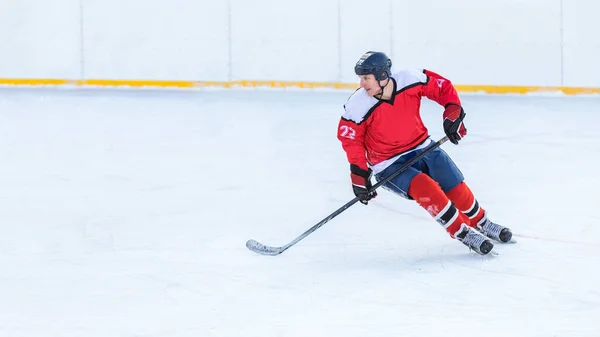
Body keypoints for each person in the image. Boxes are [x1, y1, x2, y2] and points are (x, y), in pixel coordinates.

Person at [337, 51, 512, 255]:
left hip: (422, 146)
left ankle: (482, 222)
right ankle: (462, 232)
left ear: (383, 76)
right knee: (426, 188)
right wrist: (358, 174)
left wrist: (452, 112)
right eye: (360, 78)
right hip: (388, 163)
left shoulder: (410, 79)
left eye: (366, 78)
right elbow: (351, 140)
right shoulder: (357, 104)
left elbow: (442, 87)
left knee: (456, 187)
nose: (362, 83)